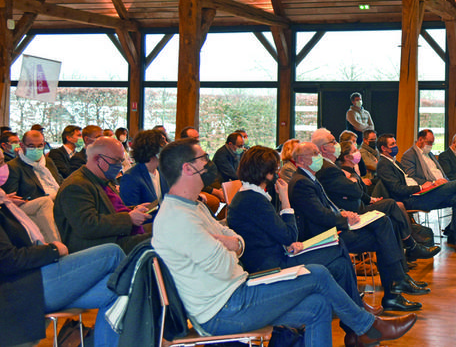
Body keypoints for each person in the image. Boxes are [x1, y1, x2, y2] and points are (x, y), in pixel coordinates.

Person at [153, 138, 417, 347]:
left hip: (237, 291)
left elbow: (237, 243)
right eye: (203, 158)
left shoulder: (192, 208)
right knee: (317, 273)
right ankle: (367, 327)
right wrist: (229, 245)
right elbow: (225, 263)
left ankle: (366, 327)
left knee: (318, 305)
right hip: (224, 308)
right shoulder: (177, 218)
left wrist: (228, 243)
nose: (209, 162)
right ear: (187, 168)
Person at [226, 145, 381, 315]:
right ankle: (358, 316)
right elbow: (289, 235)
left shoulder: (250, 196)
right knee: (338, 248)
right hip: (270, 265)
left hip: (277, 254)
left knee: (340, 263)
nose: (278, 172)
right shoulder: (253, 199)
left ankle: (356, 317)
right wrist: (285, 201)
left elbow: (273, 233)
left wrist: (287, 243)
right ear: (267, 173)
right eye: (275, 169)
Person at [289, 141, 426, 312]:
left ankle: (396, 288)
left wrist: (342, 213)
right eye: (315, 154)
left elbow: (327, 206)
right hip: (325, 237)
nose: (319, 158)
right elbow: (319, 215)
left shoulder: (310, 177)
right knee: (382, 235)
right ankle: (395, 288)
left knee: (383, 223)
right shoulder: (302, 182)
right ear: (302, 160)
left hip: (335, 226)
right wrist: (343, 220)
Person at [0, 174, 124, 347]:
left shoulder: (5, 203)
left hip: (34, 278)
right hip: (23, 287)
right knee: (112, 253)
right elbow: (7, 260)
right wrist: (52, 250)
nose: (3, 167)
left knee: (119, 291)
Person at [336, 139, 440, 263]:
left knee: (396, 211)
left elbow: (362, 191)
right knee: (392, 204)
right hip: (356, 212)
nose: (358, 152)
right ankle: (411, 245)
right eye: (355, 150)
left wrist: (371, 199)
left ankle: (408, 253)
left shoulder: (352, 171)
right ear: (347, 157)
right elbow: (356, 193)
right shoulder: (343, 174)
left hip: (365, 204)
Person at [54, 137, 152, 253]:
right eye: (116, 161)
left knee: (163, 230)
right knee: (161, 239)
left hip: (112, 237)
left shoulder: (100, 179)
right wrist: (129, 218)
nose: (120, 166)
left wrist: (134, 210)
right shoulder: (76, 186)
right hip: (96, 247)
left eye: (121, 160)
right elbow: (87, 226)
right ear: (97, 159)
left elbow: (110, 210)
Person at [4, 129, 63, 242]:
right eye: (31, 146)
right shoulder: (13, 166)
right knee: (45, 202)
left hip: (56, 198)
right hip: (30, 204)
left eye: (39, 145)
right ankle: (56, 245)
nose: (36, 149)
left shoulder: (48, 162)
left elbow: (60, 182)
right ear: (22, 145)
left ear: (44, 145)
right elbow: (12, 197)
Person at [119, 129, 169, 213]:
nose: (167, 145)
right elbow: (130, 213)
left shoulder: (162, 171)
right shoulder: (131, 177)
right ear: (152, 148)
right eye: (163, 143)